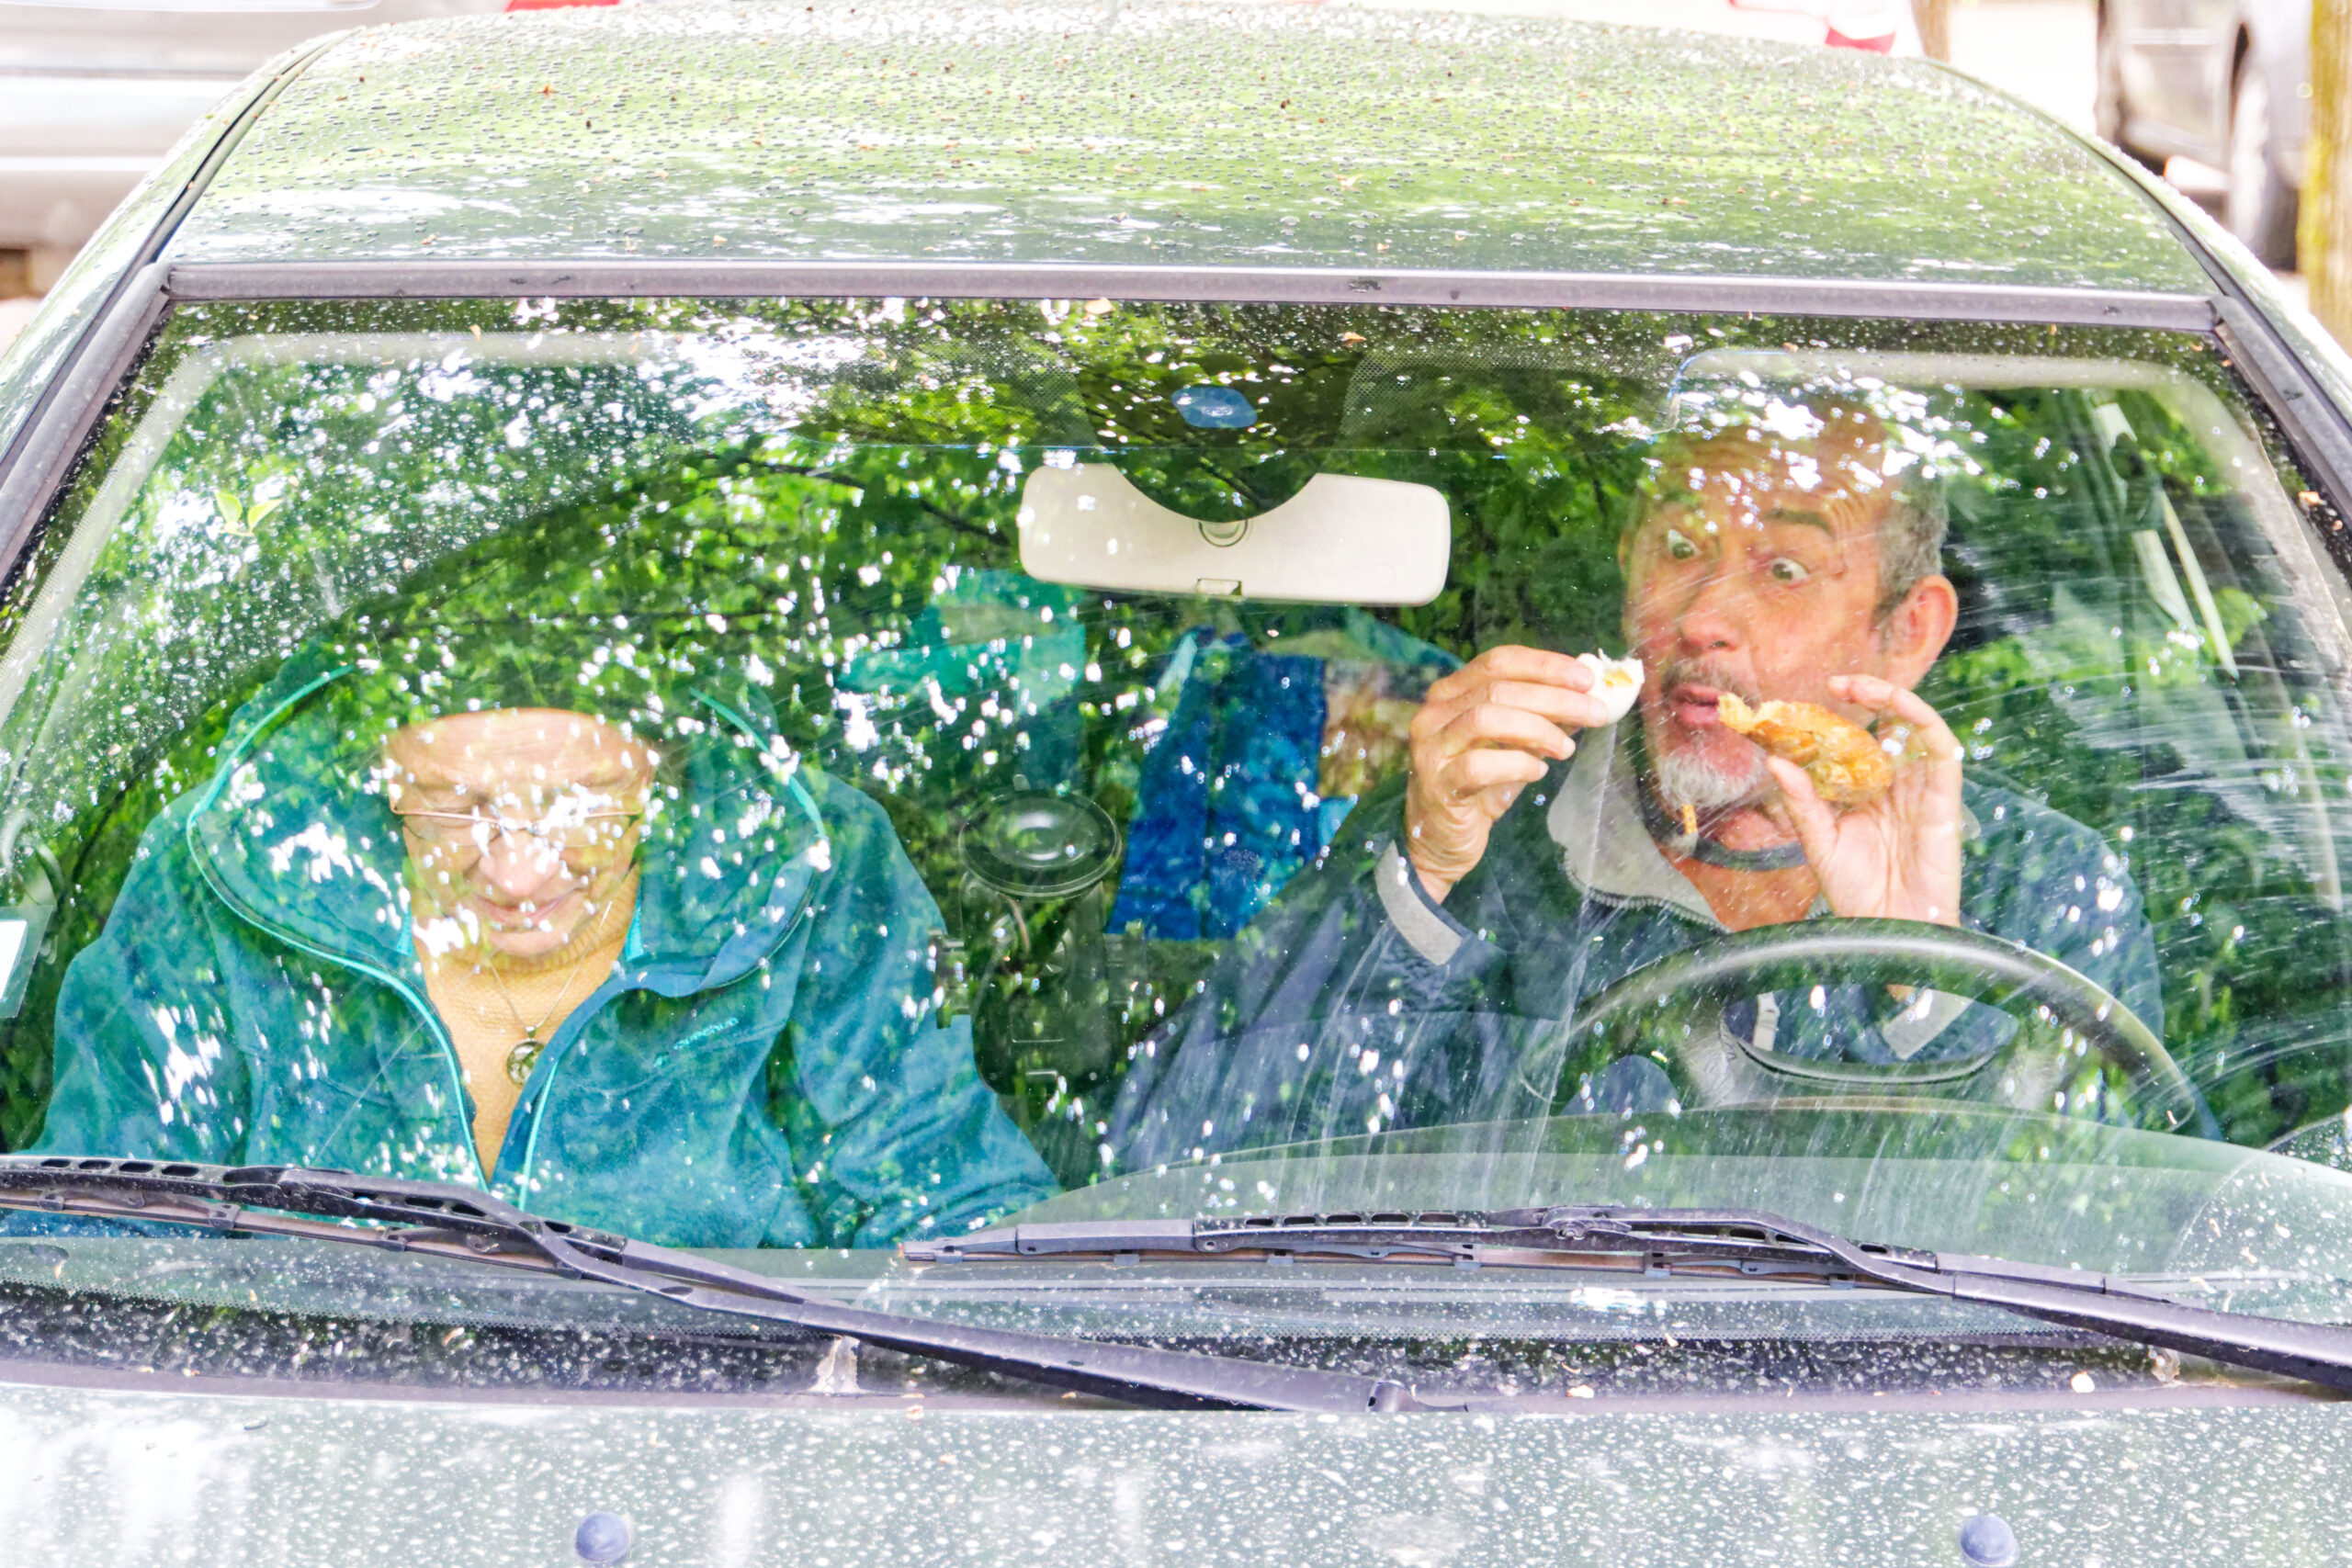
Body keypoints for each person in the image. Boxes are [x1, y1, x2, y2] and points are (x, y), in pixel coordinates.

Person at [1108, 390, 2166, 1168]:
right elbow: (1178, 1163)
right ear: (1628, 567)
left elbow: (2101, 1273)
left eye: (1783, 569)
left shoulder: (2046, 892)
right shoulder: (1476, 836)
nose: (1702, 617)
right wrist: (1416, 885)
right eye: (1680, 546)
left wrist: (1923, 980)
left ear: (1906, 633)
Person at [29, 516, 1057, 1247]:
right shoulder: (225, 871)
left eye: (583, 801)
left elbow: (942, 1205)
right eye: (452, 804)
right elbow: (94, 1229)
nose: (518, 868)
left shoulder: (811, 866)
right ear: (380, 775)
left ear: (660, 768)